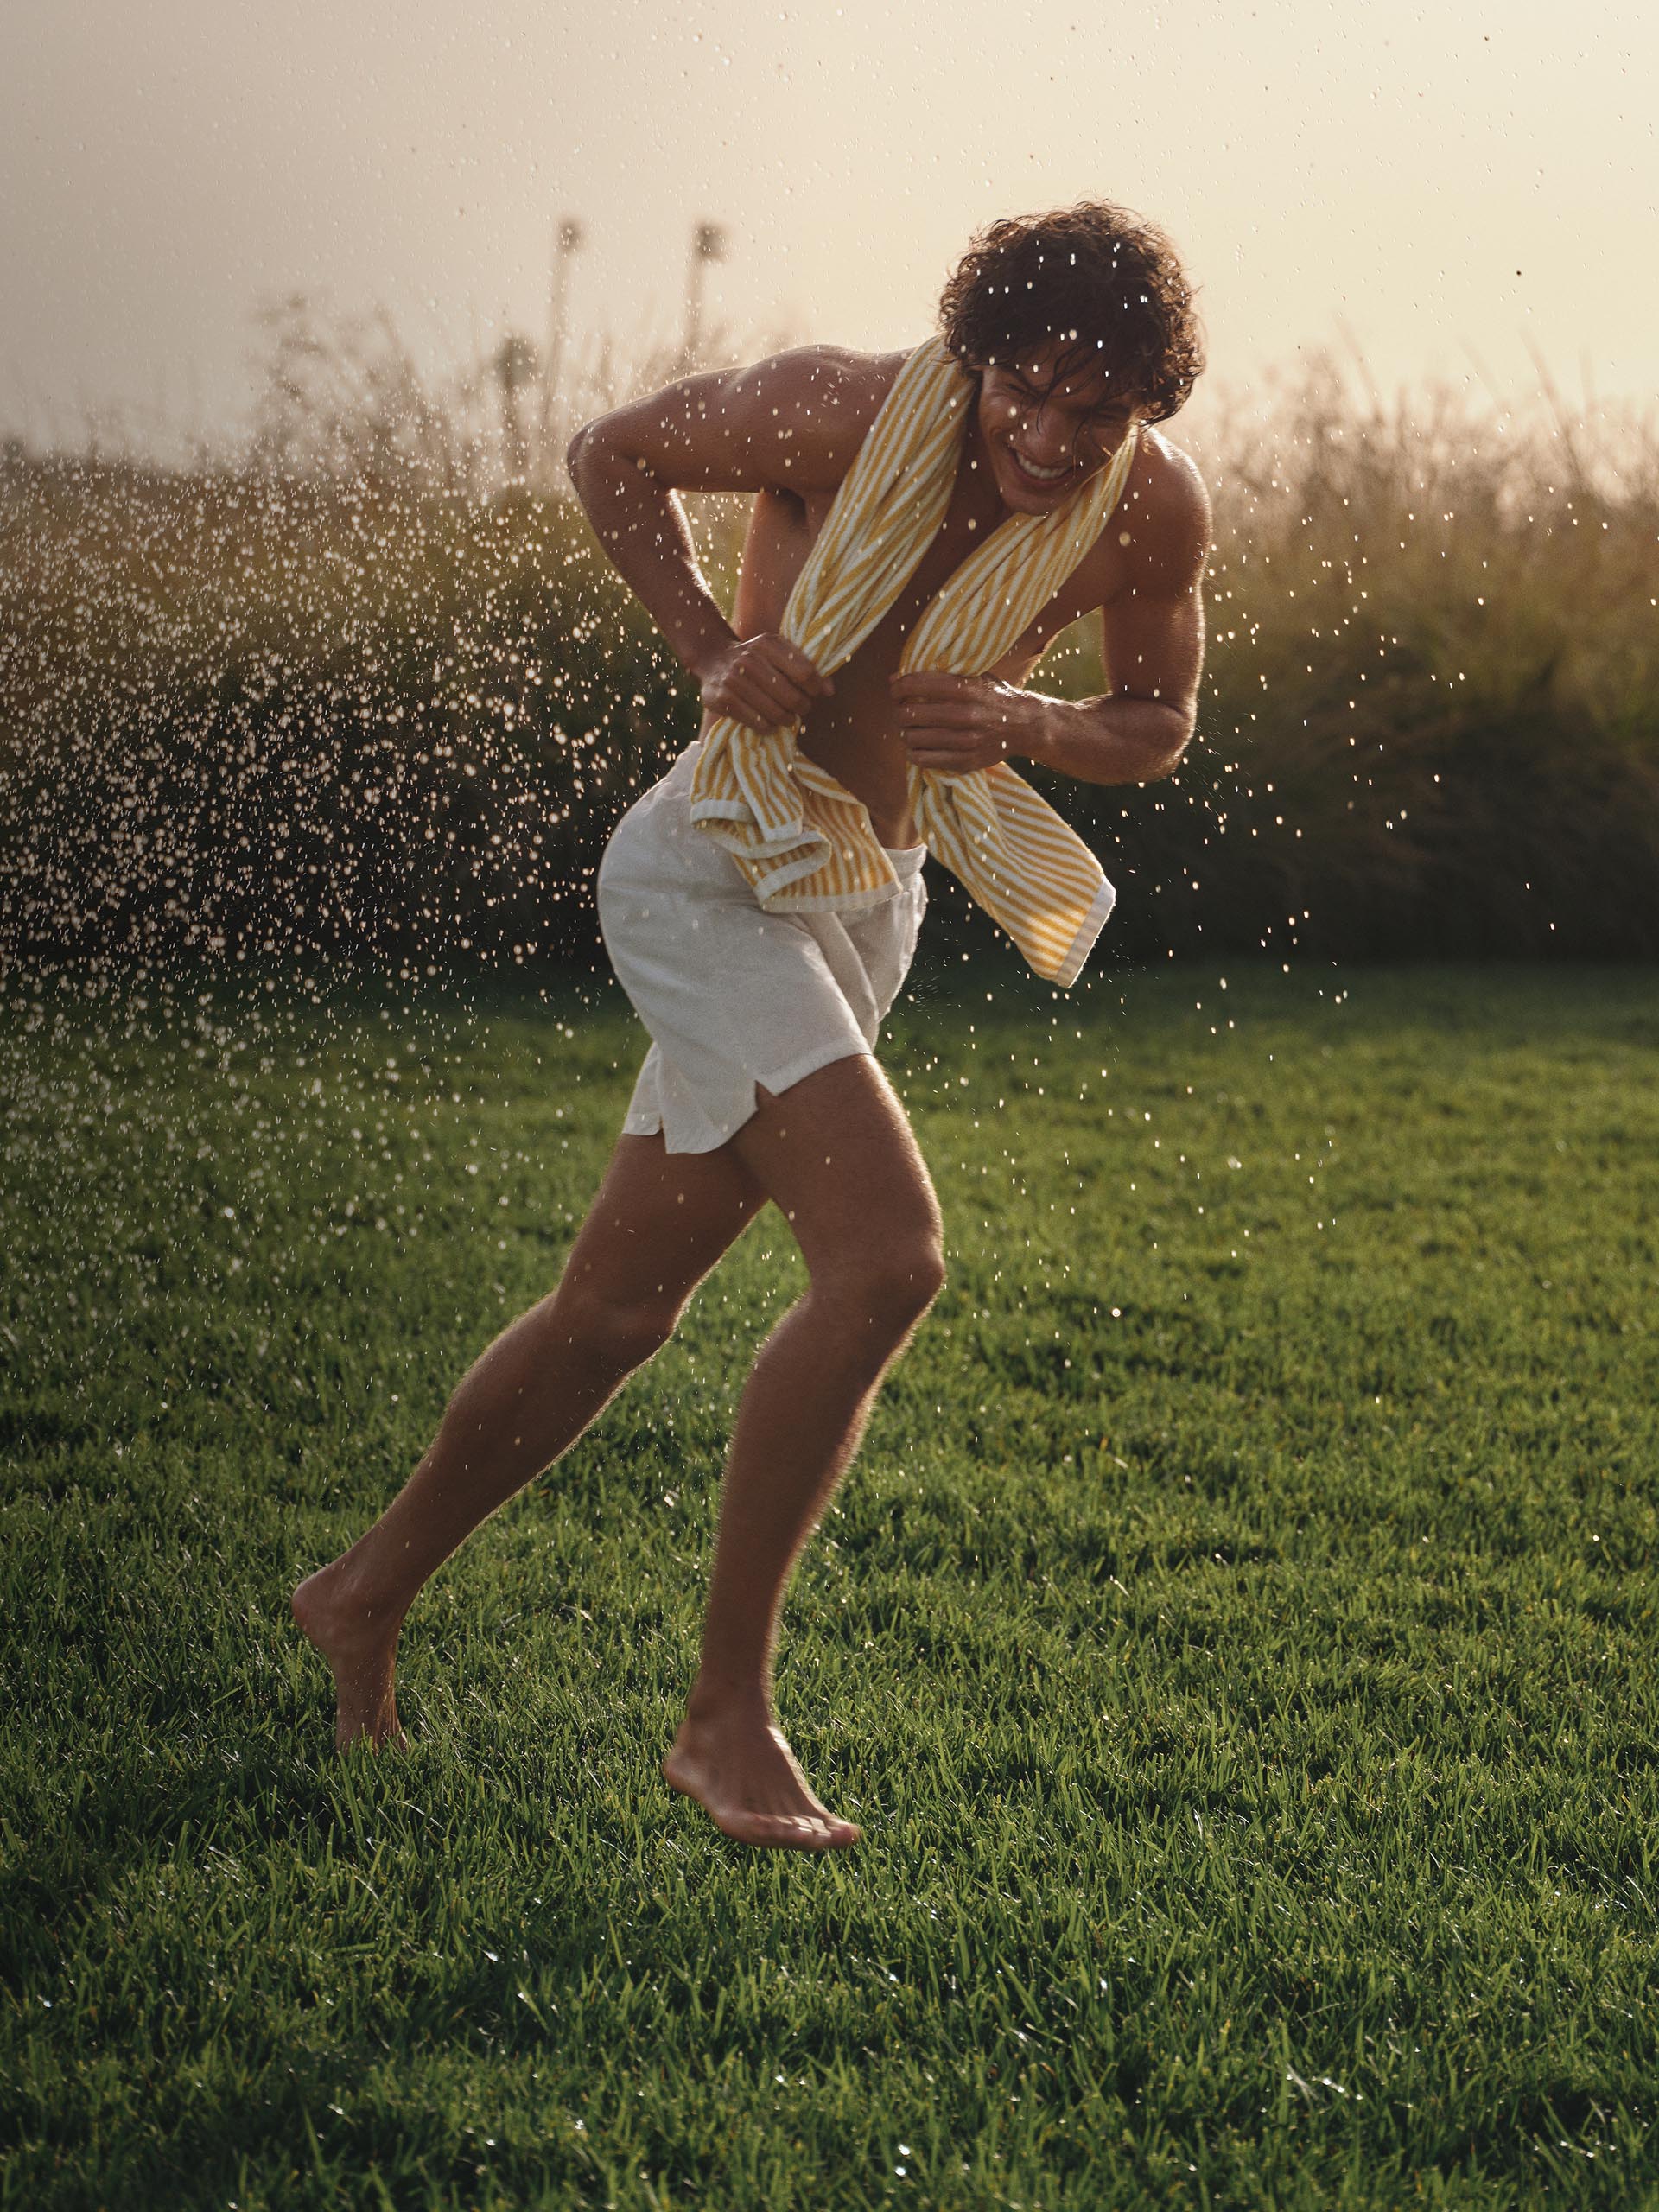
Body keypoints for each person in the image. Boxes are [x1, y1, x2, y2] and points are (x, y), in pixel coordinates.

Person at [293, 200, 1210, 1852]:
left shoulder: (1150, 512)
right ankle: (728, 1726)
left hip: (871, 898)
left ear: (1146, 403)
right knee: (889, 1260)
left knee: (613, 1309)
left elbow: (1156, 718)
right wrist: (714, 644)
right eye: (1030, 390)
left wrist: (1036, 719)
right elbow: (610, 452)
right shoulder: (841, 412)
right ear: (976, 353)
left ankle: (359, 1593)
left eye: (1099, 409)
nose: (1054, 437)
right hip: (710, 869)